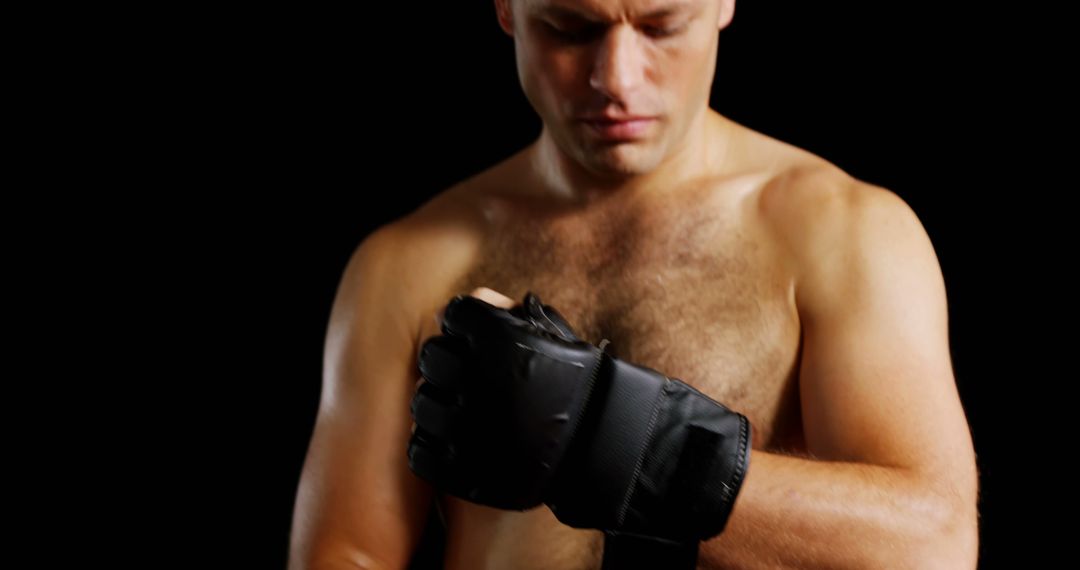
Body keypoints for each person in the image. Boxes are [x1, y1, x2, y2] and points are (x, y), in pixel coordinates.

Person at [287, 0, 980, 568]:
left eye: (661, 26)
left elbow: (933, 548)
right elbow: (346, 556)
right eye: (571, 29)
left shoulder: (841, 232)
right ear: (507, 9)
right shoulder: (408, 263)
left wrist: (624, 445)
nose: (617, 78)